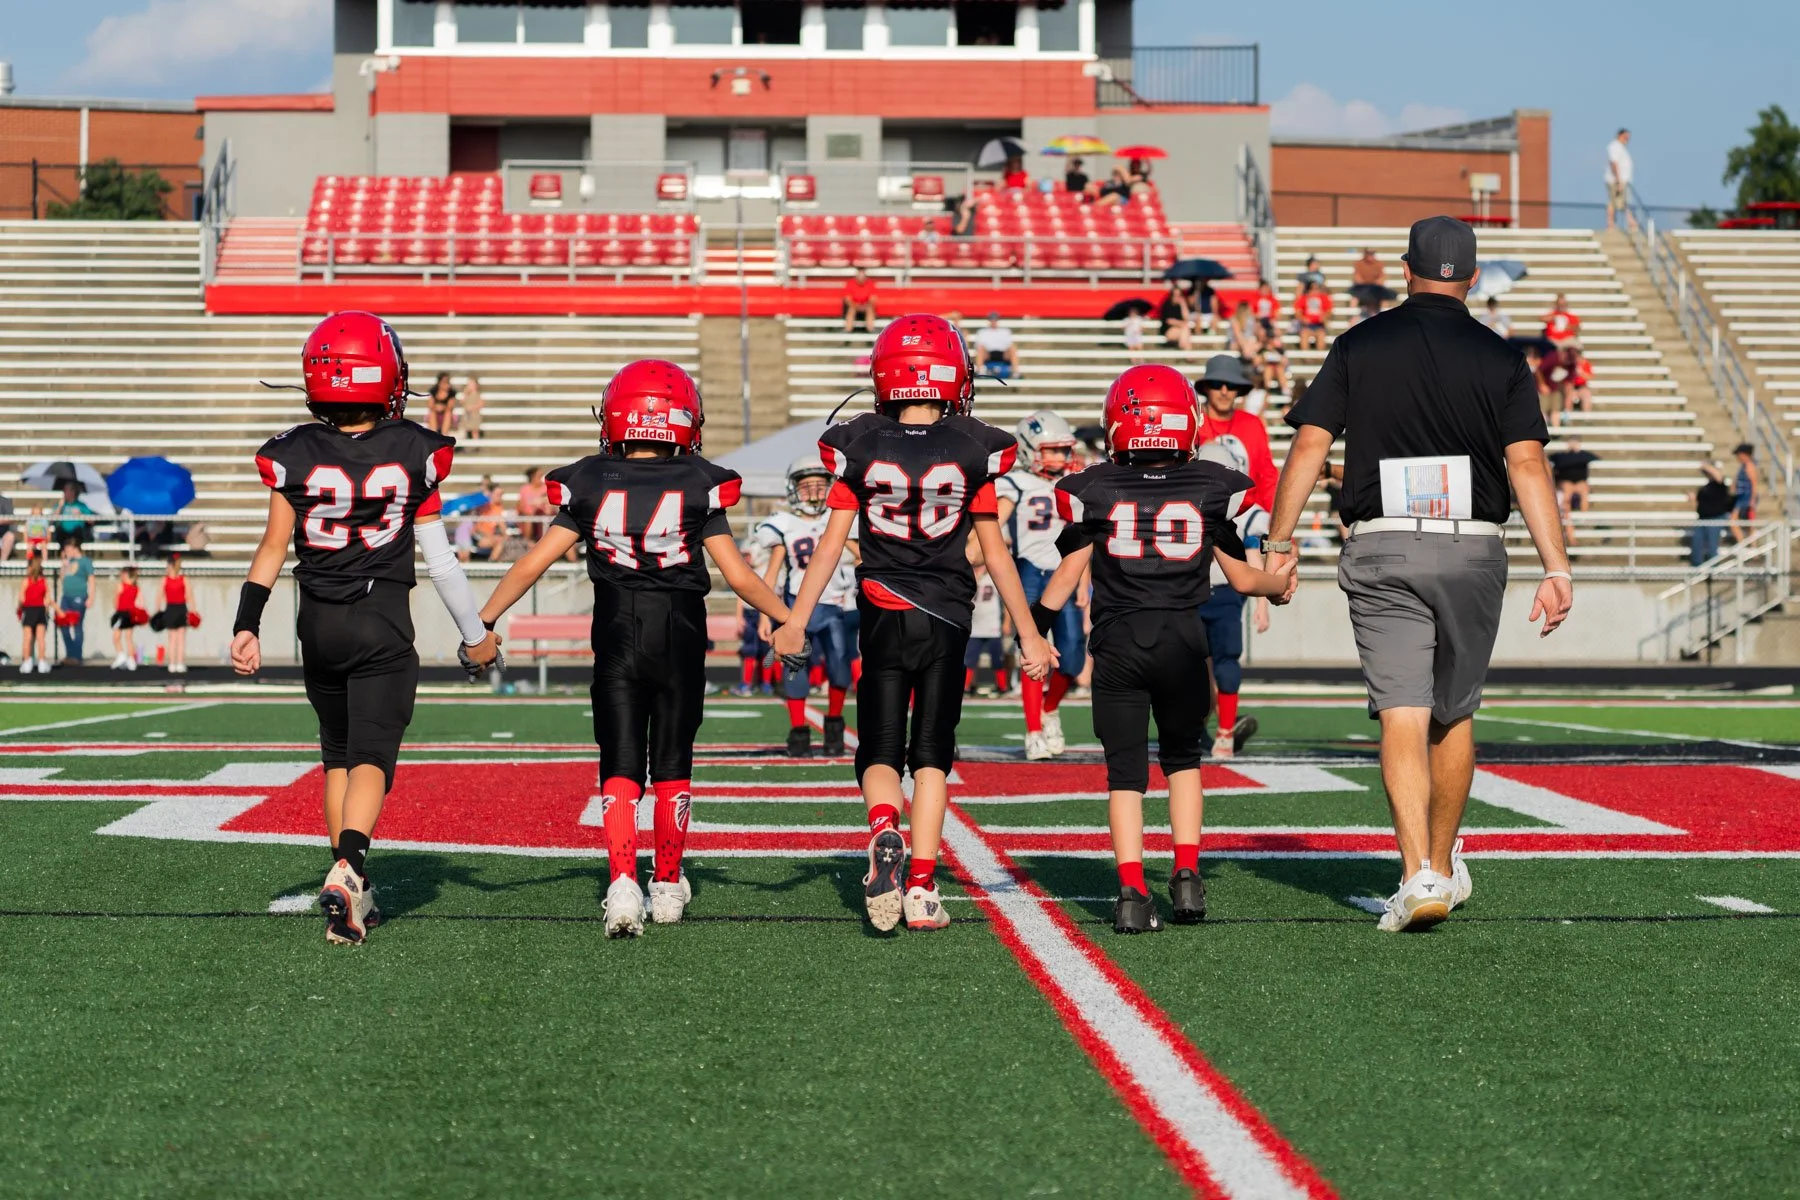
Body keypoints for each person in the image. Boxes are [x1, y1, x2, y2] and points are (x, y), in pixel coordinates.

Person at [1264, 216, 1572, 933]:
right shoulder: (1500, 357)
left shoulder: (1359, 342)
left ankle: (1418, 874)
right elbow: (1527, 463)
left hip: (1383, 543)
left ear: (1405, 270)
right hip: (1472, 544)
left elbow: (1310, 442)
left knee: (1402, 708)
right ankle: (1442, 860)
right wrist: (1556, 564)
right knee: (1454, 710)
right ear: (1469, 277)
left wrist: (1280, 541)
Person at [477, 360, 791, 937]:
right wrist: (786, 619)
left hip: (616, 631)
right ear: (683, 421)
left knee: (620, 761)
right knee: (673, 762)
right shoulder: (701, 481)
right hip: (681, 632)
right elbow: (741, 578)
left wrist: (485, 622)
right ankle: (666, 883)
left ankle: (623, 883)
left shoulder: (590, 480)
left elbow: (533, 562)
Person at [772, 314, 1054, 933]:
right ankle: (923, 886)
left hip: (881, 607)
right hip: (948, 612)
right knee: (931, 756)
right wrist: (1029, 632)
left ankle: (883, 829)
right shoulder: (974, 449)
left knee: (878, 748)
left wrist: (795, 619)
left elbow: (829, 545)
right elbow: (997, 551)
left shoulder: (859, 446)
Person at [230, 311, 501, 945]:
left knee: (336, 755)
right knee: (374, 756)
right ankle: (349, 867)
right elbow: (440, 559)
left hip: (315, 622)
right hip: (380, 619)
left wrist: (248, 625)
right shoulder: (415, 451)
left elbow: (272, 547)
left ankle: (352, 882)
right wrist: (475, 633)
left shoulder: (293, 451)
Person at [1034, 365, 1295, 932]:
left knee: (1124, 775)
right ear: (1188, 421)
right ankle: (1186, 879)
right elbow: (1248, 581)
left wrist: (1033, 631)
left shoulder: (1094, 488)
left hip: (1119, 645)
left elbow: (1063, 580)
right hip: (1182, 642)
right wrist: (1282, 581)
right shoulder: (1211, 484)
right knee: (1182, 763)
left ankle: (1130, 891)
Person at [994, 411, 1086, 761]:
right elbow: (995, 526)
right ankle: (1033, 730)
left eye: (1064, 450)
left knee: (1074, 656)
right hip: (1029, 572)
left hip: (1066, 572)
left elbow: (1083, 538)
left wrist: (1083, 582)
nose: (1062, 457)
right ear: (1029, 450)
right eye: (1053, 450)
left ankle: (1049, 709)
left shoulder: (1074, 482)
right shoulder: (1014, 484)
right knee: (1033, 653)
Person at [755, 455, 859, 757]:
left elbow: (861, 554)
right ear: (793, 490)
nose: (813, 493)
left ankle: (835, 726)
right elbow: (772, 575)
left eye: (819, 485)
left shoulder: (838, 520)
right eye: (806, 486)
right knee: (794, 671)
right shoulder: (783, 524)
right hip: (794, 610)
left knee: (840, 668)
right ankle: (798, 732)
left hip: (835, 607)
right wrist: (765, 614)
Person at [1192, 435, 1272, 759]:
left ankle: (1225, 731)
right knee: (1187, 669)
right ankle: (1194, 729)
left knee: (1226, 662)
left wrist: (1262, 603)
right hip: (1190, 595)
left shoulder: (1246, 514)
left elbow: (1253, 555)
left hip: (1224, 596)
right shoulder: (1183, 507)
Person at [1196, 354, 1279, 516]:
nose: (1224, 391)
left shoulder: (1252, 424)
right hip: (1203, 513)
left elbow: (1267, 477)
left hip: (1248, 514)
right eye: (1216, 384)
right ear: (1206, 387)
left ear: (1239, 389)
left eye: (1231, 385)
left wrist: (1277, 521)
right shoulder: (1192, 422)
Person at [964, 565, 1008, 696]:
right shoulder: (969, 577)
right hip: (975, 626)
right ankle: (965, 687)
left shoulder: (993, 577)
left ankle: (1002, 687)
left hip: (992, 626)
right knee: (969, 660)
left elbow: (1006, 600)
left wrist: (1006, 622)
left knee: (997, 660)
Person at [1549, 437, 1600, 547]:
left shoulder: (1583, 456)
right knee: (1566, 510)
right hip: (1565, 496)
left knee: (1582, 488)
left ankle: (1583, 515)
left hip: (1576, 490)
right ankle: (1572, 542)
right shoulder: (1560, 457)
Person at [1690, 461, 1735, 565]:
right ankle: (1697, 569)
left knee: (1712, 546)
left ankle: (1713, 570)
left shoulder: (1720, 483)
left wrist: (1705, 465)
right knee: (1697, 544)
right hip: (1702, 519)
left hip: (1715, 518)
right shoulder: (1706, 486)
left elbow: (1718, 475)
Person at [56, 537, 92, 666]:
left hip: (79, 596)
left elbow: (92, 580)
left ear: (75, 548)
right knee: (63, 625)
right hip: (66, 597)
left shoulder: (85, 561)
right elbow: (62, 578)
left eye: (68, 549)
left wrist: (91, 597)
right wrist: (63, 565)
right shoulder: (68, 562)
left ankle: (77, 656)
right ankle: (70, 653)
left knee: (77, 626)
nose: (67, 552)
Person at [156, 555, 190, 674]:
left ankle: (180, 663)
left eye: (168, 565)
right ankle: (172, 663)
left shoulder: (183, 579)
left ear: (172, 566)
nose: (167, 567)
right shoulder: (165, 579)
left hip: (181, 608)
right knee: (172, 638)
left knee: (181, 638)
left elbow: (189, 595)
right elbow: (159, 596)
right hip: (170, 608)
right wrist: (158, 611)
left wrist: (193, 611)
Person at [16, 557, 50, 675]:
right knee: (41, 638)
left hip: (29, 610)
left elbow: (21, 598)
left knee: (27, 638)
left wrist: (19, 608)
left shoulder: (26, 581)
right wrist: (46, 611)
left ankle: (27, 662)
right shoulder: (43, 581)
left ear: (30, 568)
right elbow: (47, 600)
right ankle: (41, 662)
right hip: (40, 610)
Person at [110, 565, 144, 670]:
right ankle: (122, 656)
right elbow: (116, 601)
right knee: (117, 637)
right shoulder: (122, 586)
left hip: (127, 614)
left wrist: (139, 614)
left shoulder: (133, 588)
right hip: (121, 613)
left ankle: (131, 659)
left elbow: (141, 602)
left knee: (128, 637)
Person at [974, 312, 1020, 379]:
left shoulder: (1005, 331)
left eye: (995, 319)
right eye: (992, 319)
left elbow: (1009, 344)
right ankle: (980, 370)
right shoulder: (982, 332)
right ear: (989, 320)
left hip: (1003, 354)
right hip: (988, 354)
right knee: (980, 349)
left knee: (1012, 348)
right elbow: (978, 345)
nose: (993, 321)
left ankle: (1015, 372)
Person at [1730, 443, 1760, 543]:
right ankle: (1745, 543)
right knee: (1745, 523)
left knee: (1749, 523)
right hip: (1741, 497)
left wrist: (1752, 500)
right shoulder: (1743, 466)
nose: (1737, 457)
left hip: (1747, 498)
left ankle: (1749, 545)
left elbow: (1754, 483)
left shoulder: (1749, 466)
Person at [1606, 128, 1634, 233]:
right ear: (1619, 135)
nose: (1627, 139)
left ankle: (1630, 221)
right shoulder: (1615, 147)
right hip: (1616, 181)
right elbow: (1614, 163)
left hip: (1623, 181)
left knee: (1624, 202)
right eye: (1625, 136)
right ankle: (1611, 223)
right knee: (1614, 201)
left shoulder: (1621, 148)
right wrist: (1618, 180)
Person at [516, 466, 552, 542]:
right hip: (530, 517)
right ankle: (528, 543)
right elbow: (521, 507)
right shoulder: (524, 489)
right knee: (528, 519)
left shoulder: (545, 487)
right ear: (532, 477)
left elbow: (550, 505)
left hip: (544, 516)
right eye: (539, 476)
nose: (541, 478)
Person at [53, 483, 95, 549]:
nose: (65, 493)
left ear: (73, 492)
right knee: (60, 532)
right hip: (63, 534)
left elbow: (92, 521)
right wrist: (60, 507)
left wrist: (81, 515)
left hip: (77, 533)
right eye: (64, 490)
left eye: (67, 490)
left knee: (77, 533)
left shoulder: (81, 505)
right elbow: (53, 519)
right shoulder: (60, 505)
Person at [1296, 279, 1332, 351]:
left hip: (1319, 325)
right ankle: (1307, 359)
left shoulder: (1323, 298)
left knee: (1321, 335)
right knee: (1304, 335)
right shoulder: (1303, 298)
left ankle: (1320, 359)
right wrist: (1303, 319)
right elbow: (1298, 312)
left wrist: (1324, 317)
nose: (1315, 291)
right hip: (1307, 326)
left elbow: (1329, 311)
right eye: (1313, 288)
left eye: (1317, 288)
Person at [1158, 282, 1194, 350]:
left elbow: (1186, 318)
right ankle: (1189, 356)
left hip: (1180, 330)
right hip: (1169, 331)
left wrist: (1183, 304)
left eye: (1179, 295)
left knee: (1184, 332)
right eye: (1175, 295)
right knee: (1185, 330)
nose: (1177, 297)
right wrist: (1182, 324)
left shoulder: (1181, 306)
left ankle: (1186, 352)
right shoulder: (1167, 305)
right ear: (1171, 295)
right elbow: (1169, 321)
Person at [843, 267, 877, 333]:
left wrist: (866, 305)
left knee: (870, 309)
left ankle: (870, 330)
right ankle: (848, 331)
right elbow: (847, 299)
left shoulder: (870, 284)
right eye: (859, 275)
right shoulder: (850, 283)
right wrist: (855, 305)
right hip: (854, 305)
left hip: (866, 305)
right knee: (851, 309)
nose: (861, 277)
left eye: (862, 275)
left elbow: (872, 299)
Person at [458, 374, 484, 442]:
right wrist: (465, 393)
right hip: (466, 415)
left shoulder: (477, 394)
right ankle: (464, 444)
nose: (470, 386)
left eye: (472, 384)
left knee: (474, 431)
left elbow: (481, 404)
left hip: (474, 415)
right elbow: (461, 402)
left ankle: (476, 444)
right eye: (469, 384)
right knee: (464, 429)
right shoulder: (466, 394)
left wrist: (472, 407)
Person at [0, 493, 14, 561]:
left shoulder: (5, 501)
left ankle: (2, 563)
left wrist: (2, 521)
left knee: (10, 537)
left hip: (3, 531)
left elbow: (11, 518)